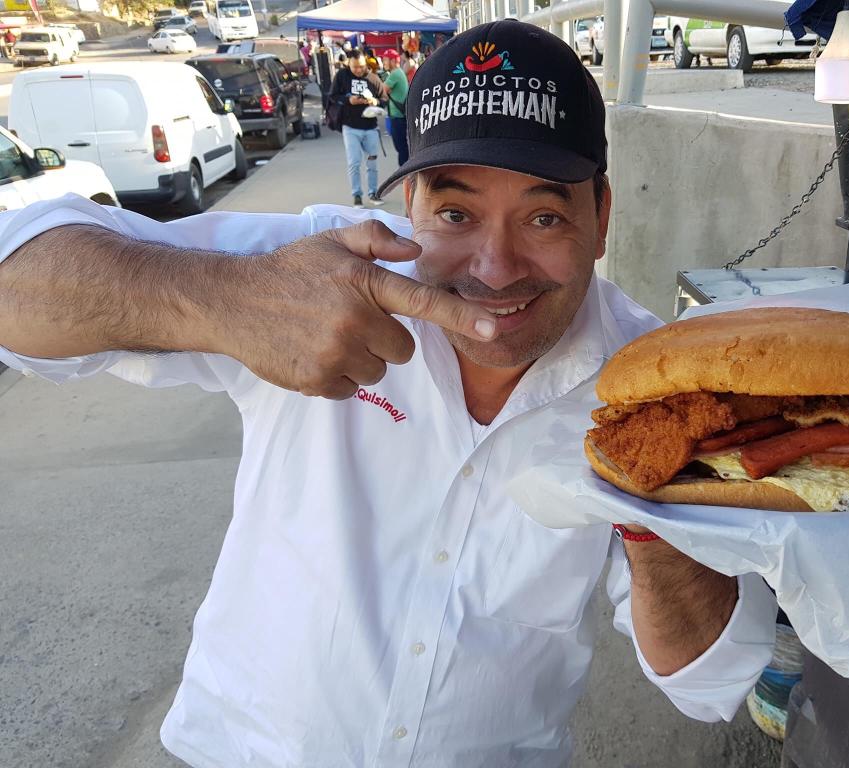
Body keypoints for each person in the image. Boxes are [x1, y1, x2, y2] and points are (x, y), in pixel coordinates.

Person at [0, 20, 774, 768]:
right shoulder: (311, 270)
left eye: (543, 216)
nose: (497, 269)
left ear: (600, 216)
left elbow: (708, 679)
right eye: (455, 213)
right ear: (407, 207)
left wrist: (653, 507)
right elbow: (16, 281)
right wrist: (229, 300)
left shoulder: (649, 384)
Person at [330, 51, 386, 206]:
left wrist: (375, 102)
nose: (359, 70)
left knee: (372, 162)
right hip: (350, 127)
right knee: (354, 162)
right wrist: (348, 100)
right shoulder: (342, 76)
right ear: (349, 63)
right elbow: (332, 96)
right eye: (355, 67)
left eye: (361, 66)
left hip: (370, 128)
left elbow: (384, 100)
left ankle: (373, 193)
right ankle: (357, 195)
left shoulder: (373, 78)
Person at [379, 48, 409, 167]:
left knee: (401, 147)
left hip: (398, 117)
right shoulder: (397, 73)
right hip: (399, 116)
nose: (384, 62)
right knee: (402, 146)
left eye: (385, 60)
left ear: (392, 61)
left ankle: (405, 174)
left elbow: (382, 91)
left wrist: (385, 88)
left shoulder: (395, 74)